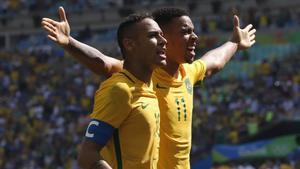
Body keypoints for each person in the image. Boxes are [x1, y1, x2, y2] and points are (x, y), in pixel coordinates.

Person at [42, 7, 256, 169]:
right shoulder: (143, 76)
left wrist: (234, 42)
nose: (194, 37)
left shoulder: (187, 73)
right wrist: (69, 42)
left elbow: (214, 61)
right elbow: (103, 63)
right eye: (185, 32)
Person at [77, 13, 167, 169]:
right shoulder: (119, 90)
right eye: (153, 35)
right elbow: (87, 155)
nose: (163, 41)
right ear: (130, 45)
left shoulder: (148, 86)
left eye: (162, 35)